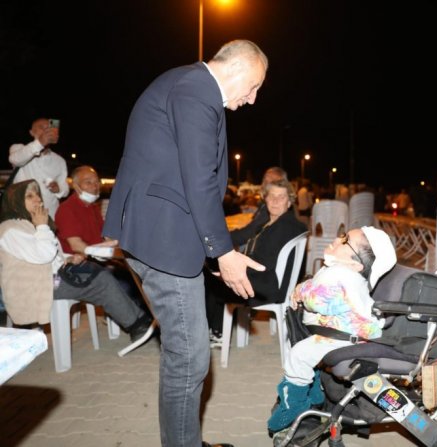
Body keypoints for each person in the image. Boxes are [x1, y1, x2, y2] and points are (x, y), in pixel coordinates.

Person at [102, 39, 268, 447]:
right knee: (190, 357)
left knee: (186, 354)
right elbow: (199, 179)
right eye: (253, 86)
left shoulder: (188, 85)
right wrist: (223, 252)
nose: (253, 99)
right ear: (236, 67)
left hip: (162, 235)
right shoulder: (196, 88)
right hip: (164, 240)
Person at [267, 226, 397, 432]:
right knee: (305, 351)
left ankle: (294, 405)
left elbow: (317, 301)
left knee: (299, 355)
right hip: (342, 333)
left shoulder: (343, 275)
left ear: (356, 264)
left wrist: (301, 289)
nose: (337, 239)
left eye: (345, 240)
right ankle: (314, 394)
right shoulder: (341, 272)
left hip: (346, 337)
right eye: (343, 235)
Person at [0, 179, 153, 342]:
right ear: (15, 201)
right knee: (100, 280)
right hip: (37, 285)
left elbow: (50, 255)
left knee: (96, 271)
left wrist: (68, 258)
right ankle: (137, 325)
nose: (38, 199)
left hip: (51, 277)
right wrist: (42, 226)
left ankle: (138, 319)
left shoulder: (30, 224)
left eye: (37, 194)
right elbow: (44, 255)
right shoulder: (10, 229)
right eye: (30, 196)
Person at [206, 178, 307, 342]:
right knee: (216, 270)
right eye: (271, 196)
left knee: (209, 279)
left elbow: (263, 263)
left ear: (289, 202)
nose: (275, 201)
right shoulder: (272, 223)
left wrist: (232, 268)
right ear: (265, 199)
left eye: (281, 197)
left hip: (266, 287)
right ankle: (216, 328)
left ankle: (216, 331)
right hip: (270, 281)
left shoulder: (285, 226)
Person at [54, 165, 147, 312]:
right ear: (76, 186)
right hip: (78, 265)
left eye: (97, 181)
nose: (95, 186)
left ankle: (143, 315)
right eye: (88, 182)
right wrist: (104, 251)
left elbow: (105, 237)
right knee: (127, 282)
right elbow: (76, 245)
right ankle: (137, 318)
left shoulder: (92, 208)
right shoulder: (67, 209)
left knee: (139, 271)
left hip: (99, 260)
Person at [8, 117, 69, 218]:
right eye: (42, 128)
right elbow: (15, 159)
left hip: (50, 215)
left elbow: (65, 189)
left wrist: (58, 189)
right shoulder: (19, 148)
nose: (46, 131)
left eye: (48, 128)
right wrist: (40, 143)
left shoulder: (60, 160)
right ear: (32, 132)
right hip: (24, 215)